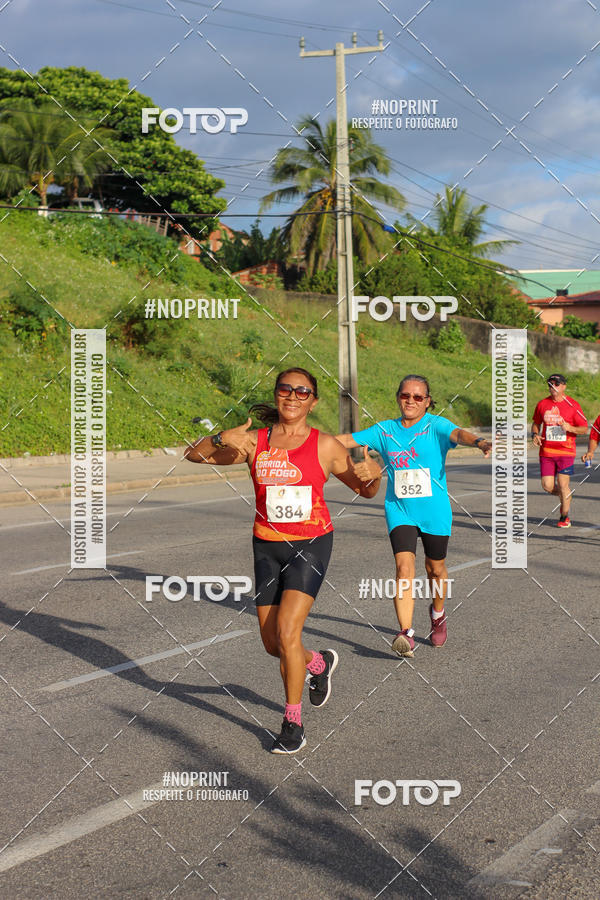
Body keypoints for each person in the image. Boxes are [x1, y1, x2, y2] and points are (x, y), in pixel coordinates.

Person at [184, 368, 382, 754]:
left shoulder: (325, 446)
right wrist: (223, 437)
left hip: (310, 543)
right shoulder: (254, 442)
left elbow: (367, 489)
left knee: (289, 634)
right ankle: (318, 664)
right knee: (273, 644)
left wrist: (374, 474)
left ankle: (293, 724)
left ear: (313, 400)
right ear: (276, 395)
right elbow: (194, 455)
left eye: (302, 391)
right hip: (266, 547)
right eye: (285, 389)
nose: (292, 396)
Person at [337, 374, 491, 657]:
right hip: (400, 510)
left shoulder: (436, 426)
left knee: (436, 570)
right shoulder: (384, 431)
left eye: (418, 397)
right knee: (403, 568)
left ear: (427, 402)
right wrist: (301, 441)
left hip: (435, 512)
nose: (410, 401)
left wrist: (480, 441)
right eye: (405, 396)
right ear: (398, 397)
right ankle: (406, 633)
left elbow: (459, 434)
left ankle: (438, 613)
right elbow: (344, 440)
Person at [532, 373, 588, 528]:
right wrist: (535, 434)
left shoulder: (573, 405)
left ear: (564, 386)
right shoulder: (542, 404)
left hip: (566, 452)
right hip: (547, 452)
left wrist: (569, 427)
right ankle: (566, 496)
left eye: (556, 384)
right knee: (547, 486)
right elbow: (536, 423)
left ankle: (564, 516)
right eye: (550, 385)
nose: (553, 388)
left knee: (563, 484)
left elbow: (584, 428)